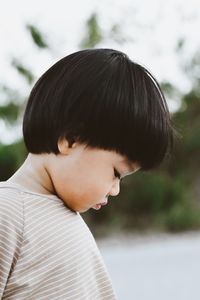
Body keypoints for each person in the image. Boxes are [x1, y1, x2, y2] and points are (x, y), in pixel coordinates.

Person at [0, 48, 176, 299]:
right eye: (116, 172)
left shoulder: (59, 212)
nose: (115, 189)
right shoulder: (7, 212)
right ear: (71, 139)